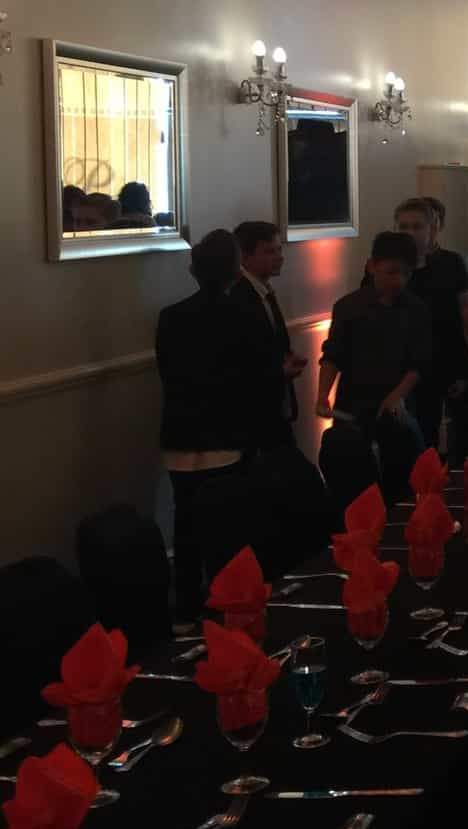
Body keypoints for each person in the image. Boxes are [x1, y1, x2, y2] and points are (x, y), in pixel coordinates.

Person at [157, 229, 261, 620]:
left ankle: (186, 606)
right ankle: (227, 603)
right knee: (228, 526)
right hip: (226, 431)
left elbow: (169, 375)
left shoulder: (171, 317)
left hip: (181, 432)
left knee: (185, 523)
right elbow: (251, 379)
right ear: (236, 270)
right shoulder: (241, 315)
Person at [318, 230, 430, 491]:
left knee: (401, 481)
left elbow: (419, 363)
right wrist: (322, 394)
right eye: (391, 272)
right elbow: (333, 356)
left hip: (397, 409)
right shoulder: (348, 307)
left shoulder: (417, 309)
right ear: (372, 266)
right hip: (352, 406)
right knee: (353, 483)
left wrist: (397, 396)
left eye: (405, 274)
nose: (398, 280)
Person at [394, 198, 468, 461]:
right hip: (410, 367)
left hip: (449, 359)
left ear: (432, 228)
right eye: (403, 227)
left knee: (464, 435)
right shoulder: (393, 269)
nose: (410, 233)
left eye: (417, 226)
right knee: (420, 437)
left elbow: (466, 311)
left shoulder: (451, 263)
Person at [229, 220, 303, 453]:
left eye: (279, 249)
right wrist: (279, 371)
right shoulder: (240, 298)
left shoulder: (264, 291)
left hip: (274, 409)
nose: (280, 257)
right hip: (257, 415)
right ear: (245, 257)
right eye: (270, 251)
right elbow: (242, 360)